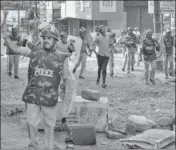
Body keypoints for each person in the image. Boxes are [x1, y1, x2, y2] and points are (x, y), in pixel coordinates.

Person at [2, 24, 72, 149]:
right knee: (31, 123)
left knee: (50, 125)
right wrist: (6, 38)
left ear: (55, 41)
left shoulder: (61, 56)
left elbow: (65, 77)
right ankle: (33, 145)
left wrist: (63, 91)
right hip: (33, 95)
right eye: (44, 37)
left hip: (49, 97)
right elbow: (16, 49)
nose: (46, 40)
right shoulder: (34, 51)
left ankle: (48, 147)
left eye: (49, 38)